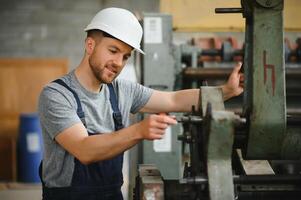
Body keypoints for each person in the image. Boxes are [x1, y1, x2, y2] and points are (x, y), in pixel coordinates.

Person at [38, 7, 243, 200]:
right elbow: (84, 150)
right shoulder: (56, 95)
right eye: (113, 50)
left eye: (126, 56)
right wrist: (139, 131)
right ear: (90, 45)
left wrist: (225, 91)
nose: (119, 62)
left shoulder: (121, 91)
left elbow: (173, 99)